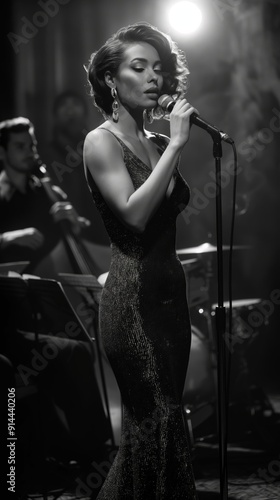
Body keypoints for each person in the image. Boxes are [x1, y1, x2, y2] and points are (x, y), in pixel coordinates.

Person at [83, 22, 198, 499]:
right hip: (132, 306)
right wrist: (176, 144)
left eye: (159, 68)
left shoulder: (153, 140)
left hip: (171, 301)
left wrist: (166, 142)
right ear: (112, 79)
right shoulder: (100, 142)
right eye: (139, 67)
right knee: (155, 425)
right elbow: (133, 215)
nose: (154, 76)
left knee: (165, 430)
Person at [0, 116, 91, 276]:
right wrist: (7, 238)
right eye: (20, 147)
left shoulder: (49, 191)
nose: (30, 153)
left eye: (32, 146)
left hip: (51, 279)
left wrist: (74, 225)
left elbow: (78, 234)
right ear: (2, 152)